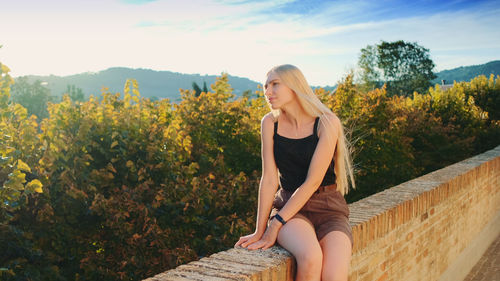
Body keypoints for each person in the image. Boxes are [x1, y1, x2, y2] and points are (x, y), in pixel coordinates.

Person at [234, 64, 355, 281]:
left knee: (334, 276)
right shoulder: (270, 123)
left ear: (294, 86)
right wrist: (260, 230)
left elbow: (313, 181)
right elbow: (270, 179)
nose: (267, 92)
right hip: (290, 208)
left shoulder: (327, 122)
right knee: (310, 258)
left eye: (275, 84)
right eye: (265, 86)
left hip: (329, 208)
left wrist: (275, 225)